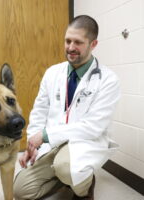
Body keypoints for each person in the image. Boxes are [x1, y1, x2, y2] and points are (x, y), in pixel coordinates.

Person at [13, 15, 120, 200]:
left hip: (85, 142)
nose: (71, 47)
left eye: (78, 42)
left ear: (93, 44)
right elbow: (39, 111)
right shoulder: (53, 73)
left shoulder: (108, 80)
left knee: (66, 167)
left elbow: (93, 127)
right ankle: (66, 178)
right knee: (21, 191)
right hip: (53, 145)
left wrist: (45, 135)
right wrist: (32, 143)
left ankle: (84, 189)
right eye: (68, 40)